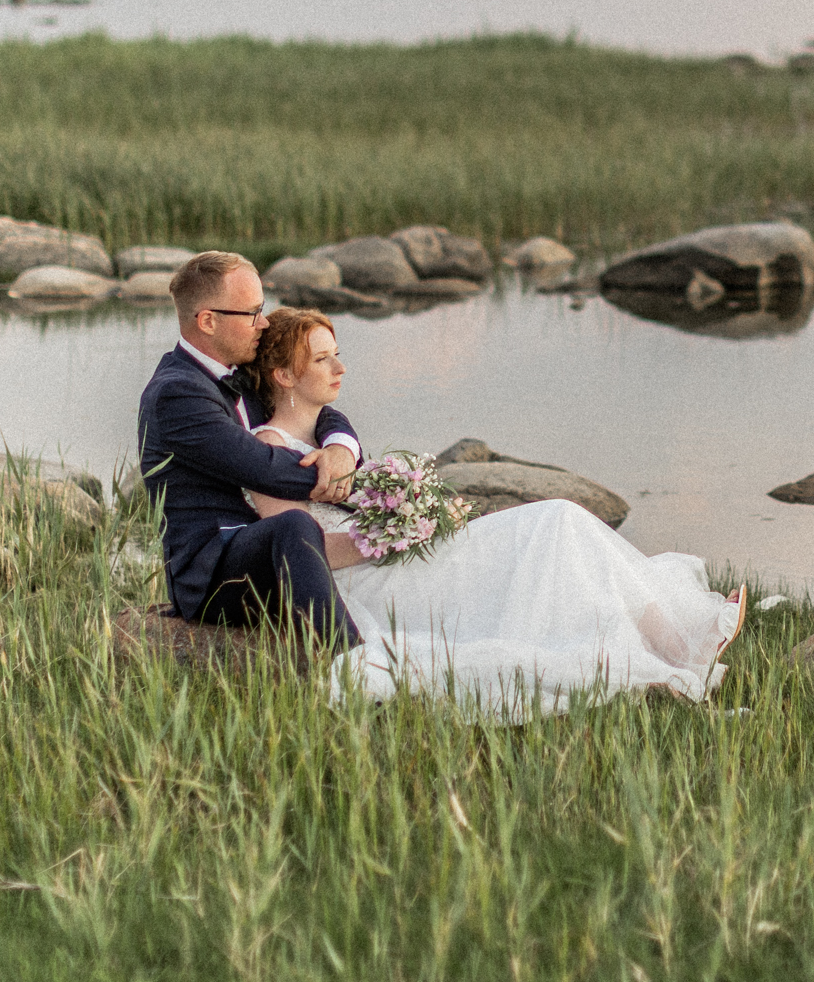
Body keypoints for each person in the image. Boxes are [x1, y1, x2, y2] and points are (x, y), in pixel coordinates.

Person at [242, 306, 746, 717]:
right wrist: (395, 536)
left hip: (391, 557)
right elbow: (302, 549)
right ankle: (672, 655)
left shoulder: (331, 437)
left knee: (561, 522)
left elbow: (347, 460)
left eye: (338, 355)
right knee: (553, 525)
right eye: (322, 360)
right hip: (366, 581)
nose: (340, 368)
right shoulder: (267, 447)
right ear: (284, 375)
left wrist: (417, 516)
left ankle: (677, 649)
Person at [136, 252, 364, 647]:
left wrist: (340, 447)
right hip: (215, 569)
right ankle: (349, 662)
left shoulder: (241, 370)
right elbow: (263, 467)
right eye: (252, 313)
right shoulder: (177, 393)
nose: (264, 322)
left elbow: (312, 410)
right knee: (295, 526)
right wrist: (335, 476)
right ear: (208, 321)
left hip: (269, 544)